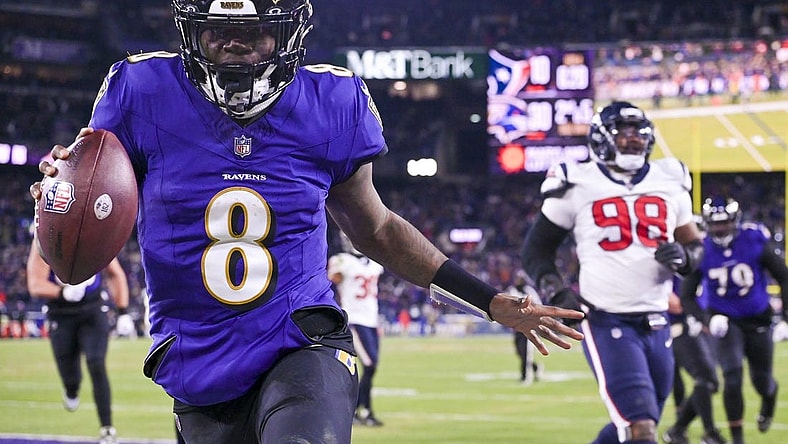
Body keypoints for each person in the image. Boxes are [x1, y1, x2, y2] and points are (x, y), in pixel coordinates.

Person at [30, 1, 584, 443]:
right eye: (218, 30)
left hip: (301, 338)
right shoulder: (140, 90)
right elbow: (89, 209)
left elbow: (379, 229)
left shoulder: (331, 99)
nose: (235, 45)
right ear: (190, 31)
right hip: (197, 356)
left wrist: (488, 299)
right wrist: (62, 197)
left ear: (288, 32)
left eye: (254, 30)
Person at [521, 101, 704, 444]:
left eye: (639, 132)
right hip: (607, 319)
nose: (633, 140)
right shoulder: (577, 180)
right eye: (624, 132)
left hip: (657, 317)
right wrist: (556, 290)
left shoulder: (670, 177)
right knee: (642, 429)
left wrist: (685, 256)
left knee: (632, 426)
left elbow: (695, 247)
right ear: (603, 137)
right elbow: (536, 249)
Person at [680, 196, 788, 444]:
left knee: (762, 381)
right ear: (707, 224)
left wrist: (785, 319)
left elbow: (784, 276)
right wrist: (707, 318)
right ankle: (737, 438)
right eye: (715, 224)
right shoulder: (702, 248)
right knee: (732, 375)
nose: (720, 229)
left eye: (725, 223)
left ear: (735, 221)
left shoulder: (754, 239)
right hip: (725, 321)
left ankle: (769, 397)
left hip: (758, 318)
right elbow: (686, 295)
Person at [26, 242, 132, 444]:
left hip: (92, 310)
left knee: (96, 363)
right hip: (61, 314)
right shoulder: (45, 237)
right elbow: (35, 284)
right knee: (71, 377)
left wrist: (123, 311)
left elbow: (115, 273)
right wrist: (61, 292)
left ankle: (107, 428)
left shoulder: (95, 233)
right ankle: (71, 389)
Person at [328, 231, 386, 426]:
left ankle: (362, 411)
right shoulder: (341, 260)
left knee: (371, 367)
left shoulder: (375, 264)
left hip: (370, 320)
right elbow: (332, 277)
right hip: (354, 319)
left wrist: (377, 322)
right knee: (369, 365)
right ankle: (361, 410)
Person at [663, 290, 726, 444]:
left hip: (692, 326)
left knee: (708, 381)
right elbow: (676, 304)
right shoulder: (674, 271)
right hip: (677, 329)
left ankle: (678, 430)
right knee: (706, 378)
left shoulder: (698, 269)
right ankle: (708, 433)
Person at [507, 270, 544, 385]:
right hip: (516, 326)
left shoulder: (529, 291)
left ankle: (525, 377)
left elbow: (539, 305)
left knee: (526, 353)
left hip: (528, 326)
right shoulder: (511, 290)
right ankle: (536, 367)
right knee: (520, 352)